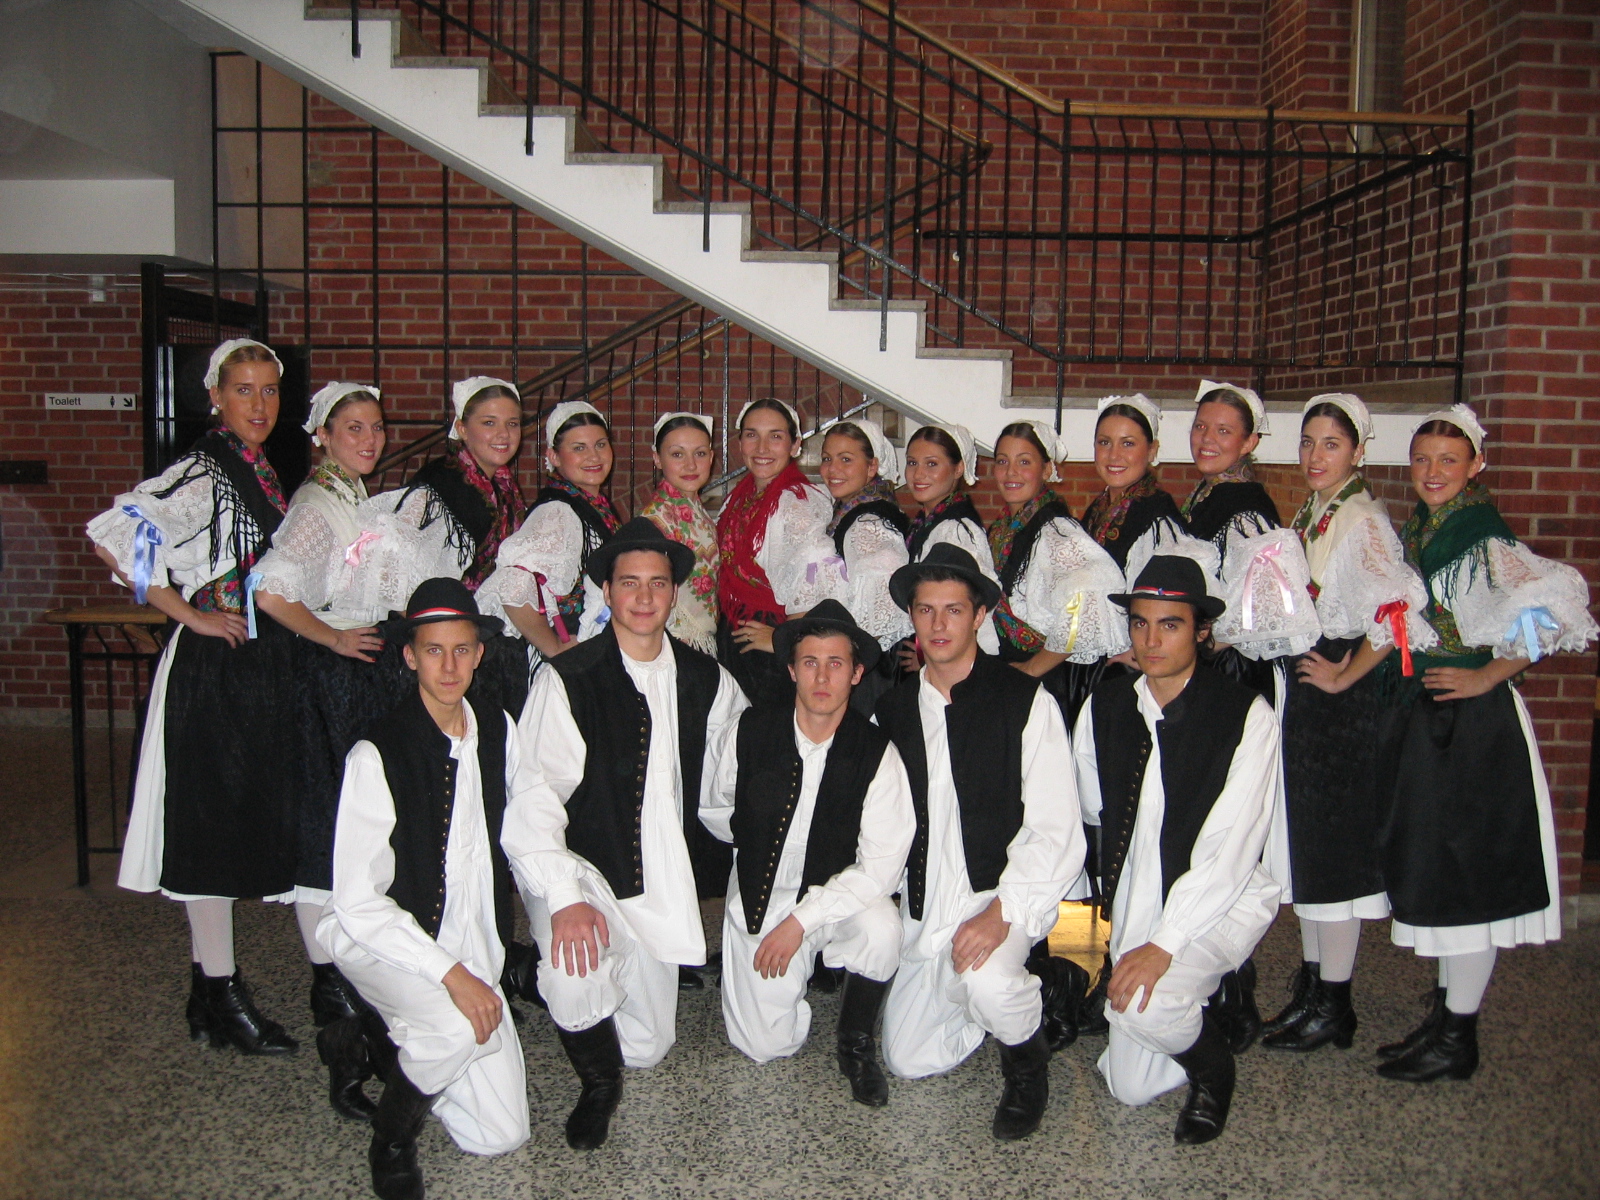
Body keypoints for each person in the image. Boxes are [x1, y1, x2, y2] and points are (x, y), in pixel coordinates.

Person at [1298, 404, 1596, 1083]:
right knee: (1439, 868)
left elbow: (1553, 607)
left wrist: (1489, 673)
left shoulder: (1480, 534)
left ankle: (1458, 1036)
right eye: (1423, 459)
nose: (1432, 472)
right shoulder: (1428, 526)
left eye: (1449, 461)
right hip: (1432, 721)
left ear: (1476, 466)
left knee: (1466, 877)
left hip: (1469, 727)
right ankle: (1445, 1020)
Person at [504, 518, 747, 1149]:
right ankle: (597, 1083)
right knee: (576, 971)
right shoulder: (569, 677)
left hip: (657, 881)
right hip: (584, 870)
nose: (644, 597)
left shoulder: (707, 678)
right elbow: (533, 799)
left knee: (648, 1044)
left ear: (674, 593)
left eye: (657, 583)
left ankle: (531, 976)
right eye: (629, 583)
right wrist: (564, 898)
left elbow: (733, 776)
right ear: (607, 592)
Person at [89, 338, 300, 1056]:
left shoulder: (256, 466)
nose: (259, 404)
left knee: (229, 821)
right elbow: (118, 538)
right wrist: (190, 613)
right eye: (244, 390)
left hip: (250, 666)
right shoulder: (205, 470)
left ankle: (207, 993)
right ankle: (223, 991)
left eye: (269, 390)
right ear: (215, 396)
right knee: (209, 828)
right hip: (214, 667)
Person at [317, 579, 529, 1199]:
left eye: (462, 650)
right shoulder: (377, 752)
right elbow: (358, 901)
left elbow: (528, 823)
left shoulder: (498, 729)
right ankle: (391, 1141)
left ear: (480, 654)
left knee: (500, 1134)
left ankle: (371, 1041)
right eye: (434, 651)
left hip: (469, 936)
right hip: (382, 937)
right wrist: (450, 974)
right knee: (456, 1030)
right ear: (409, 656)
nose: (449, 667)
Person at [873, 545, 1084, 1141]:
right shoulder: (892, 710)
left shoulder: (1024, 701)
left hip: (999, 892)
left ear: (980, 616)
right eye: (926, 610)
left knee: (987, 979)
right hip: (926, 903)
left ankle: (1027, 1065)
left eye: (954, 610)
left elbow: (1055, 827)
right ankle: (1045, 984)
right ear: (912, 617)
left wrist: (1002, 912)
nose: (938, 625)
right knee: (909, 1057)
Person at [1072, 556, 1282, 1145]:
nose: (1151, 640)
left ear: (1201, 631)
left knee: (1144, 1007)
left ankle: (1215, 1072)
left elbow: (1229, 851)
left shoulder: (1246, 716)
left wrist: (1165, 944)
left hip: (1219, 900)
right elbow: (1088, 822)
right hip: (1135, 893)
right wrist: (1083, 948)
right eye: (1140, 623)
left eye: (1170, 625)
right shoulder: (1106, 705)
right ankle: (1206, 1000)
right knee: (1128, 1086)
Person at [1262, 394, 1434, 1053]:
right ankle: (1313, 988)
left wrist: (1343, 674)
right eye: (1308, 442)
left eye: (1331, 444)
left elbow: (1397, 613)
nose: (1315, 455)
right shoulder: (1317, 510)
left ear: (1358, 452)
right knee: (1312, 844)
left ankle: (1334, 1002)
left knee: (1333, 849)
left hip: (1339, 705)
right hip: (1313, 694)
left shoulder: (1361, 520)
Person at [701, 600, 914, 1105]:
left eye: (836, 663)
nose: (822, 677)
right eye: (810, 662)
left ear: (856, 673)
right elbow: (716, 807)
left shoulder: (877, 752)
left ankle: (855, 1043)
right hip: (765, 891)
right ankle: (794, 976)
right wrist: (757, 855)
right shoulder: (748, 731)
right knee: (762, 1045)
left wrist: (803, 921)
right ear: (792, 669)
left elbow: (881, 866)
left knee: (882, 928)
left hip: (840, 892)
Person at [393, 376, 529, 719]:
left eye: (512, 424)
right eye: (489, 423)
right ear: (462, 429)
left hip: (479, 642)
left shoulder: (504, 487)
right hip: (443, 649)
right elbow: (404, 573)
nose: (503, 434)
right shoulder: (440, 485)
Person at [1180, 380, 1319, 704]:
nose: (1207, 439)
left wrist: (1198, 648)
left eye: (1223, 431)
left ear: (1248, 442)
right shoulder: (1209, 491)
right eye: (1201, 426)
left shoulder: (1245, 508)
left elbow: (1264, 604)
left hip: (1231, 671)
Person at [987, 419, 1129, 725]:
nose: (1010, 473)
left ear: (1047, 469)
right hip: (1012, 674)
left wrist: (1033, 668)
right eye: (1002, 461)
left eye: (1024, 462)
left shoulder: (1056, 530)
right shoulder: (1002, 530)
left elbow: (1092, 590)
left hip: (1044, 682)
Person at [481, 400, 622, 664]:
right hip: (570, 659)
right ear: (554, 457)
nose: (594, 456)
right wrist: (555, 647)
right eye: (579, 448)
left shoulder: (594, 506)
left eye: (601, 445)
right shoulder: (558, 512)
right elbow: (511, 584)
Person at [716, 398, 833, 706]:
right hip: (736, 631)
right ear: (740, 443)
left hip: (768, 648)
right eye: (752, 435)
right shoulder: (741, 496)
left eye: (776, 436)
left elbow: (816, 581)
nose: (762, 447)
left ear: (795, 445)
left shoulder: (796, 503)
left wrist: (784, 641)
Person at [813, 418, 912, 713]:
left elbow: (880, 614)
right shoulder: (849, 512)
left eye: (846, 459)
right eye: (827, 459)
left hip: (869, 671)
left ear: (872, 467)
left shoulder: (868, 523)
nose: (833, 469)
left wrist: (839, 658)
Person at [900, 422, 1001, 658]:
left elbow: (967, 607)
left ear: (958, 469)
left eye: (931, 464)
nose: (918, 474)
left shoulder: (954, 530)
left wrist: (927, 656)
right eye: (912, 463)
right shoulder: (925, 523)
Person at [638, 411, 720, 656]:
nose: (690, 465)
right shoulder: (655, 520)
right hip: (671, 643)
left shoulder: (697, 511)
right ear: (657, 458)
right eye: (677, 454)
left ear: (711, 457)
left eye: (700, 453)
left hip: (698, 643)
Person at [1081, 394, 1185, 578]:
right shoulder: (1096, 510)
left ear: (1152, 450)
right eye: (1104, 442)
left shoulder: (1156, 516)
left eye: (1127, 443)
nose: (1114, 455)